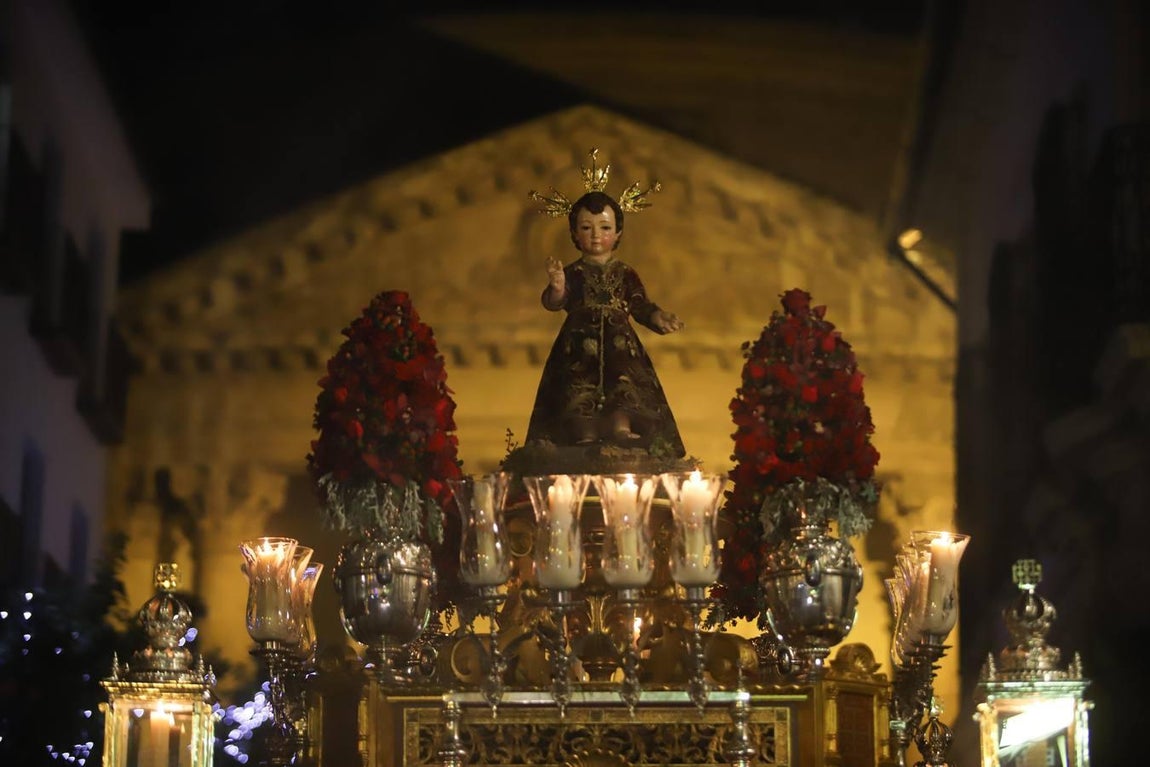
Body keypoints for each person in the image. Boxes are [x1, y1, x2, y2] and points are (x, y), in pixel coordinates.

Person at [525, 191, 686, 455]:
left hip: (619, 344)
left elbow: (640, 305)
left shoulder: (625, 273)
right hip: (578, 343)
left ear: (618, 232)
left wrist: (660, 317)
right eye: (586, 228)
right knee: (578, 385)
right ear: (575, 234)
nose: (596, 235)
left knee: (622, 383)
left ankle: (621, 427)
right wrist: (557, 285)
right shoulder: (573, 273)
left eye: (605, 227)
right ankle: (585, 432)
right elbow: (556, 301)